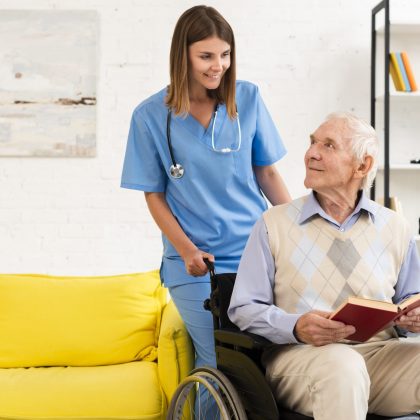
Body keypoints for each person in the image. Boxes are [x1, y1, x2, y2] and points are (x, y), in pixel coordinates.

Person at [121, 5, 290, 380]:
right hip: (197, 263)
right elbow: (154, 195)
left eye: (225, 54)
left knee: (265, 362)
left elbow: (267, 172)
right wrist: (186, 251)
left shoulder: (246, 99)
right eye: (206, 56)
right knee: (220, 363)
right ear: (182, 55)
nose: (218, 65)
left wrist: (299, 231)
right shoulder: (150, 116)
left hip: (256, 255)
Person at [228, 112, 420, 420]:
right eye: (313, 142)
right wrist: (295, 326)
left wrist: (413, 317)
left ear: (363, 165)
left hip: (379, 358)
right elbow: (244, 308)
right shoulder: (273, 224)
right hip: (301, 361)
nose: (311, 153)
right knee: (342, 367)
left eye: (329, 145)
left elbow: (411, 297)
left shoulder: (395, 226)